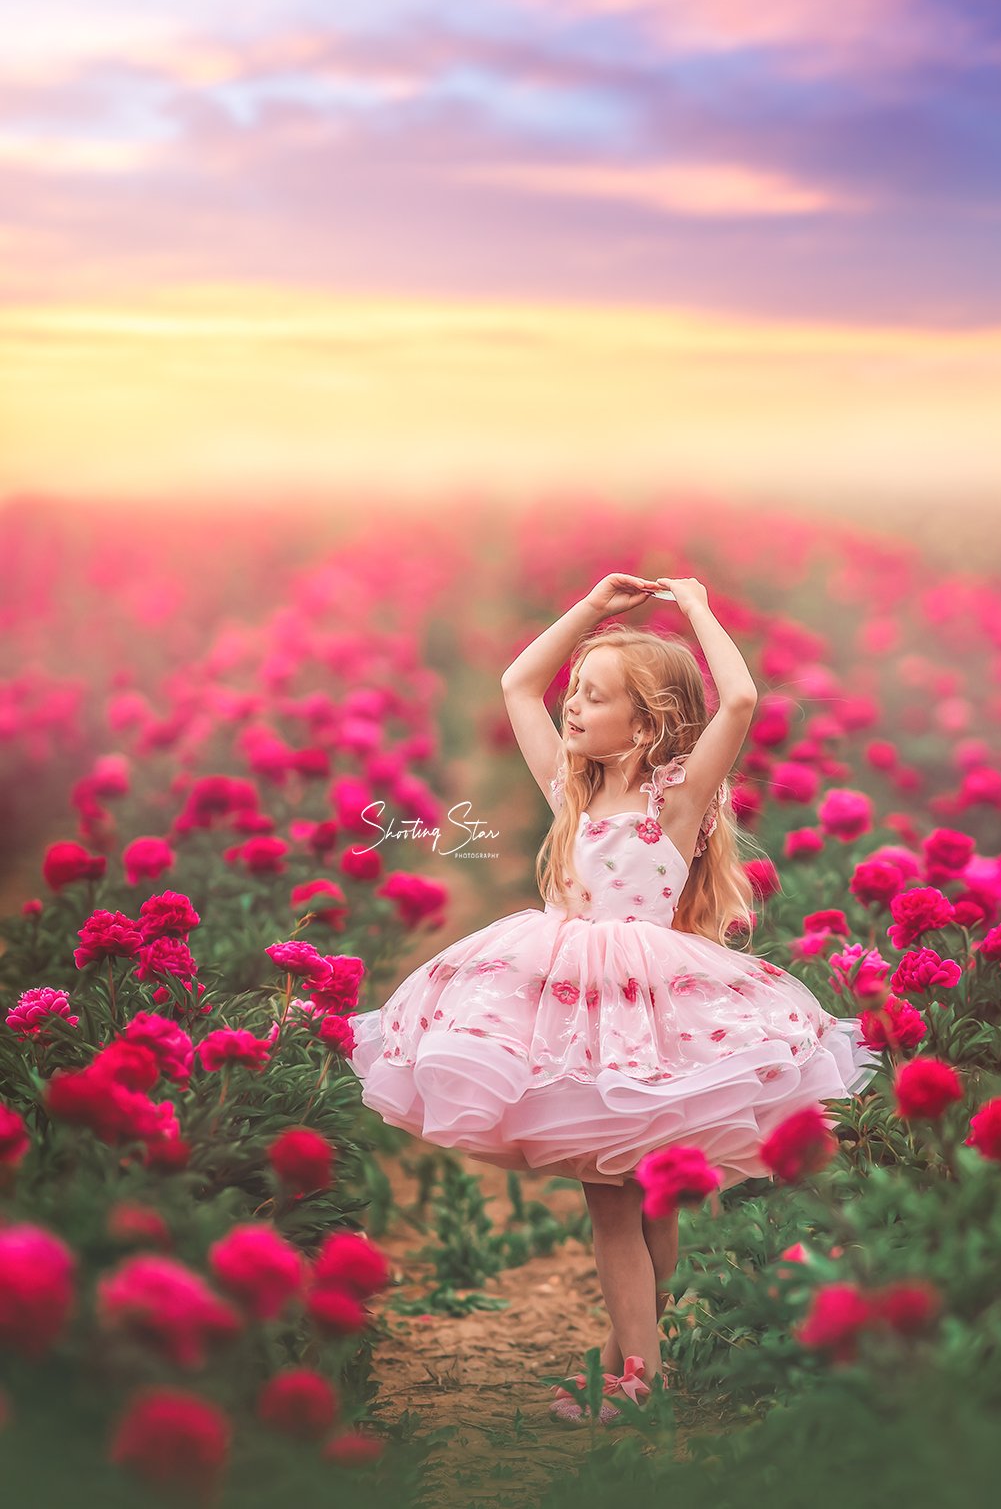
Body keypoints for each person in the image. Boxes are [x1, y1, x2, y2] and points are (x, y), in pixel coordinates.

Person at [348, 572, 881, 1423]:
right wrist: (593, 612)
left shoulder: (677, 803)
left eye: (594, 699)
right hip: (570, 1015)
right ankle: (632, 1364)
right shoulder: (574, 792)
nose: (571, 707)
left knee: (646, 1202)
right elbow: (518, 682)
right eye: (579, 693)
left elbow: (738, 701)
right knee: (619, 1202)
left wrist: (696, 607)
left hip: (651, 1012)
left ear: (650, 726)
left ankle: (632, 1371)